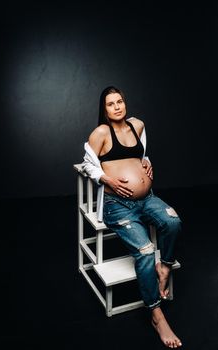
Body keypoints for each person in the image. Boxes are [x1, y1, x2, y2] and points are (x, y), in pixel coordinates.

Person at [81, 86, 182, 348]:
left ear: (125, 103)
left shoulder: (137, 125)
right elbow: (88, 163)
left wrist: (145, 160)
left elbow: (140, 152)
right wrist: (106, 178)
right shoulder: (101, 133)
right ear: (104, 110)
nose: (116, 107)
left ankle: (166, 265)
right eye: (110, 104)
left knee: (173, 221)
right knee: (146, 251)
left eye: (120, 101)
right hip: (117, 205)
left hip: (146, 199)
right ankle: (156, 314)